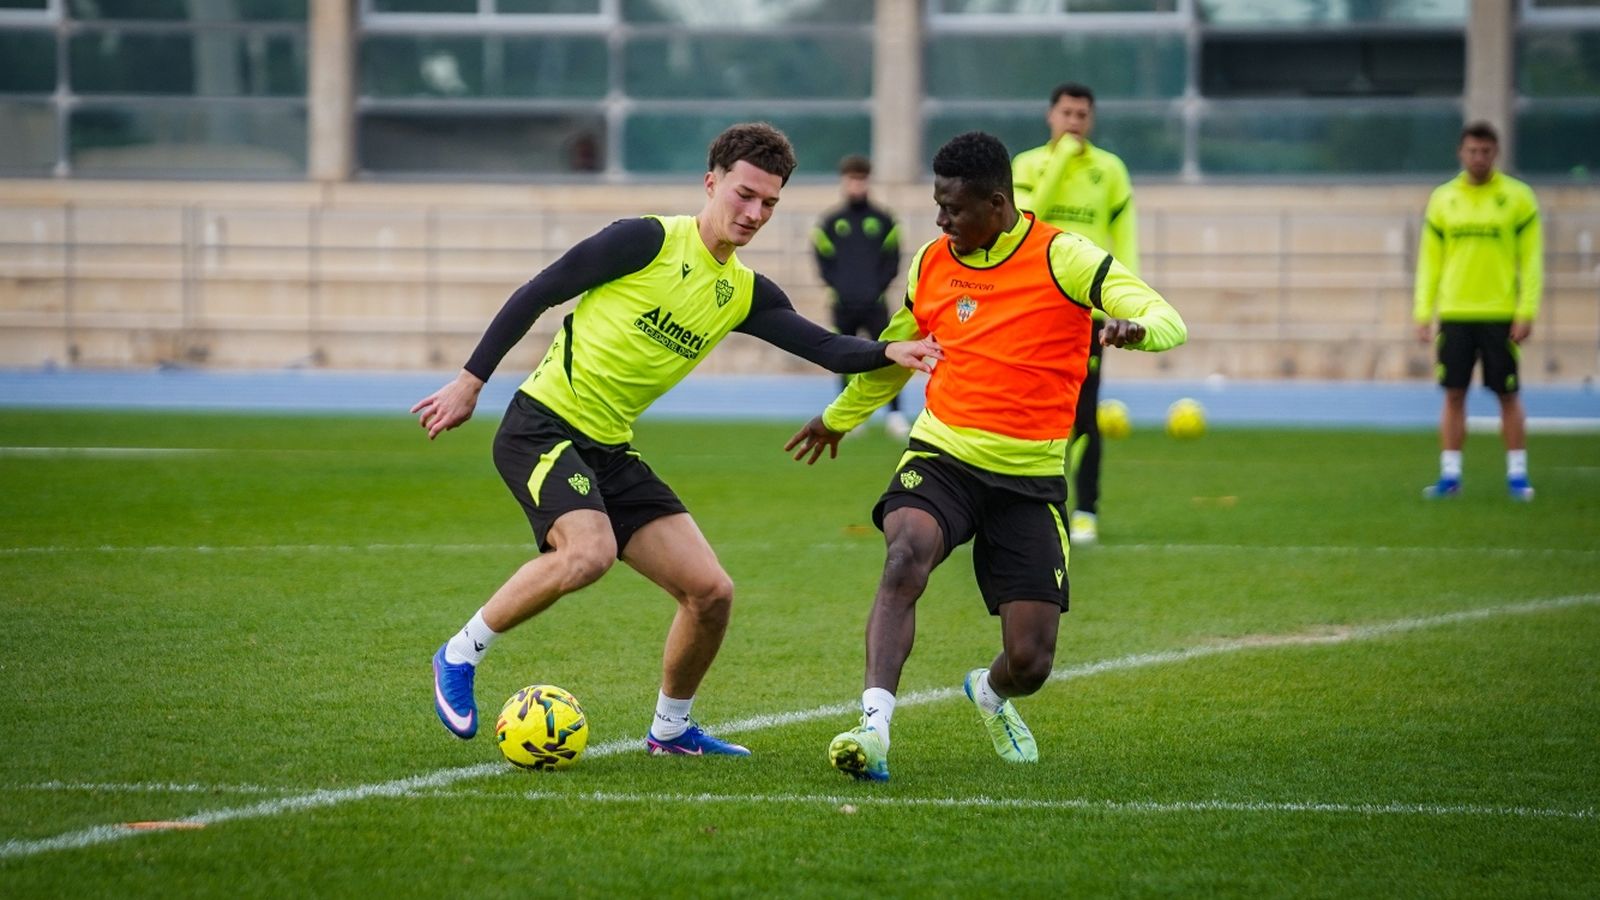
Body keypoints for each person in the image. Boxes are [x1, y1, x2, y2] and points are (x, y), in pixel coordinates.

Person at [413, 122, 940, 757]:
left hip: (610, 450)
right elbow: (539, 292)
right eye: (745, 195)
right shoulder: (645, 240)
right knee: (589, 553)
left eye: (769, 203)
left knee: (711, 593)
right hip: (541, 425)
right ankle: (459, 654)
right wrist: (470, 382)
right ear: (711, 182)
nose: (755, 213)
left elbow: (826, 348)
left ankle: (670, 730)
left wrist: (889, 350)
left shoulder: (743, 292)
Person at [785, 132, 1186, 782]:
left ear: (997, 204)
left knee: (1031, 662)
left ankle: (991, 693)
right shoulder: (931, 263)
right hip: (943, 454)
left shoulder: (1063, 256)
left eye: (954, 209)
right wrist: (838, 418)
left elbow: (1168, 319)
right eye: (937, 206)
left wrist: (1133, 329)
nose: (941, 222)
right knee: (904, 554)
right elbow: (899, 356)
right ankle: (873, 727)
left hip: (1029, 478)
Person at [1011, 82, 1140, 546]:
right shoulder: (1027, 165)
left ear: (1092, 119)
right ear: (1050, 115)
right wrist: (1062, 159)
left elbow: (1124, 237)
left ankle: (1085, 509)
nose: (1074, 122)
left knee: (1084, 412)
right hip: (1033, 306)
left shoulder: (1110, 170)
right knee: (1025, 411)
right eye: (1066, 113)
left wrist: (1125, 302)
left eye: (1082, 115)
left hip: (1085, 313)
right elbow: (1026, 218)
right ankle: (1027, 505)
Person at [1414, 121, 1543, 501]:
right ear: (1461, 152)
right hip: (1455, 312)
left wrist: (1526, 310)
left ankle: (1517, 476)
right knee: (1454, 394)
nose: (1479, 158)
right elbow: (1430, 261)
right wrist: (1423, 311)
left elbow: (1531, 261)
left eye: (1485, 151)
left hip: (1499, 313)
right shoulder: (1443, 199)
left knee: (1507, 394)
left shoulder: (1518, 198)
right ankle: (1450, 476)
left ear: (1495, 153)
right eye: (1472, 151)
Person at [812, 154, 909, 437]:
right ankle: (850, 417)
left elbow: (892, 260)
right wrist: (838, 287)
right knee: (844, 359)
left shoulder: (884, 220)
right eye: (851, 179)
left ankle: (895, 415)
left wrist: (876, 287)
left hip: (875, 303)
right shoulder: (831, 222)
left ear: (868, 181)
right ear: (844, 181)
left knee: (888, 357)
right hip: (843, 304)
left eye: (861, 179)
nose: (856, 185)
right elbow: (823, 261)